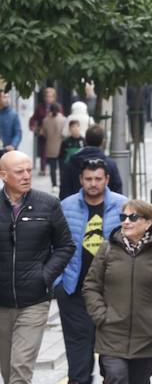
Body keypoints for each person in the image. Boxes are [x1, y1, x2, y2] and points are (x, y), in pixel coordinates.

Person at [82, 199, 152, 384]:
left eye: (133, 217)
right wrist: (102, 316)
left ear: (148, 222)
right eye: (123, 217)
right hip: (111, 333)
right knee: (116, 377)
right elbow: (91, 286)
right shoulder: (107, 249)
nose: (126, 221)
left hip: (147, 334)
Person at [0, 150, 75, 384]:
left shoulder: (48, 204)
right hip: (1, 302)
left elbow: (65, 246)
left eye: (29, 170)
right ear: (3, 175)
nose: (26, 176)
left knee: (20, 368)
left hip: (34, 300)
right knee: (7, 369)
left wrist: (44, 276)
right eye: (19, 171)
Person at [55, 157, 127, 384]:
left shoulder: (123, 206)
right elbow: (53, 245)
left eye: (98, 178)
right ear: (80, 179)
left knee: (112, 363)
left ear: (107, 179)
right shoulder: (65, 206)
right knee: (78, 363)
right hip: (74, 292)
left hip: (112, 295)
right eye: (88, 179)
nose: (93, 183)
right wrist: (58, 283)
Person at [60, 125, 123, 200]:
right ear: (103, 141)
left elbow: (64, 191)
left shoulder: (72, 163)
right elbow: (117, 191)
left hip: (76, 209)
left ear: (86, 140)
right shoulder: (110, 164)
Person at [28, 87, 56, 176]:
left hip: (53, 133)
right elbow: (33, 118)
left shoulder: (57, 107)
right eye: (47, 96)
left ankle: (53, 169)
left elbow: (61, 118)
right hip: (42, 132)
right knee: (43, 150)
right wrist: (33, 127)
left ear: (54, 97)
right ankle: (43, 169)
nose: (49, 99)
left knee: (53, 152)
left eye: (51, 97)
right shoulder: (40, 107)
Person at [41, 103, 67, 189]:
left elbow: (44, 134)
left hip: (50, 146)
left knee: (52, 168)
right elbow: (65, 134)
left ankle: (54, 185)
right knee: (62, 168)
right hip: (62, 147)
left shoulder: (45, 120)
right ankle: (62, 184)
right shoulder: (64, 120)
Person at [0, 90, 22, 155]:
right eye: (4, 97)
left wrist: (13, 145)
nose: (7, 99)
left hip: (8, 151)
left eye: (8, 97)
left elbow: (18, 133)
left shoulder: (13, 114)